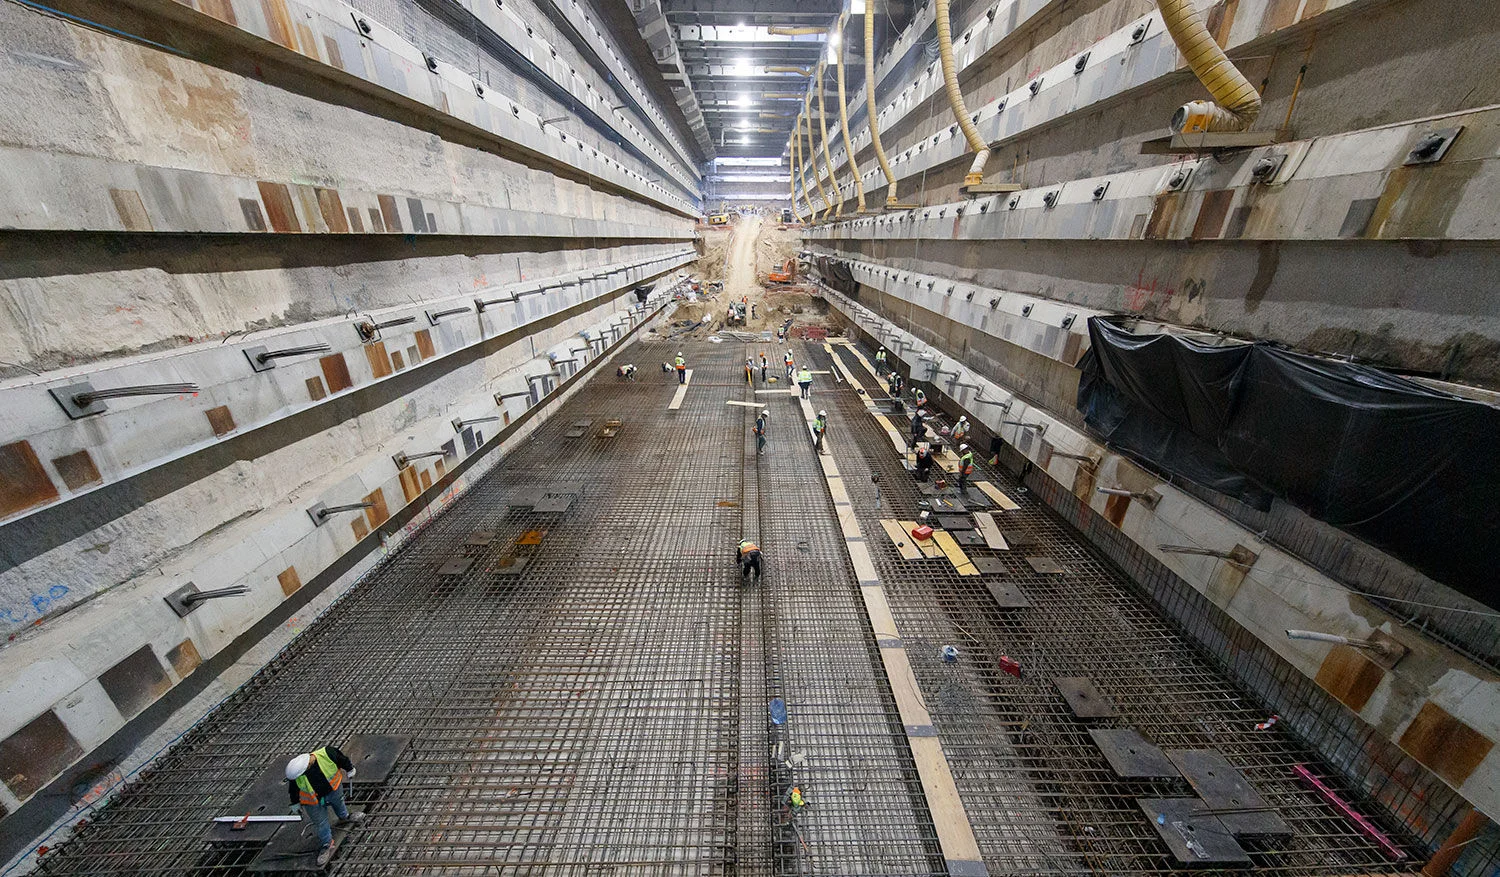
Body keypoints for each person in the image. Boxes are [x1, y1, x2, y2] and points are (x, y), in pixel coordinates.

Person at [286, 746, 363, 867]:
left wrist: (349, 768)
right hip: (313, 801)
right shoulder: (297, 775)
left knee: (339, 803)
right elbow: (293, 789)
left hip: (333, 790)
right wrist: (295, 802)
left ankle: (345, 817)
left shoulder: (327, 753)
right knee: (320, 822)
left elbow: (341, 759)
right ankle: (327, 844)